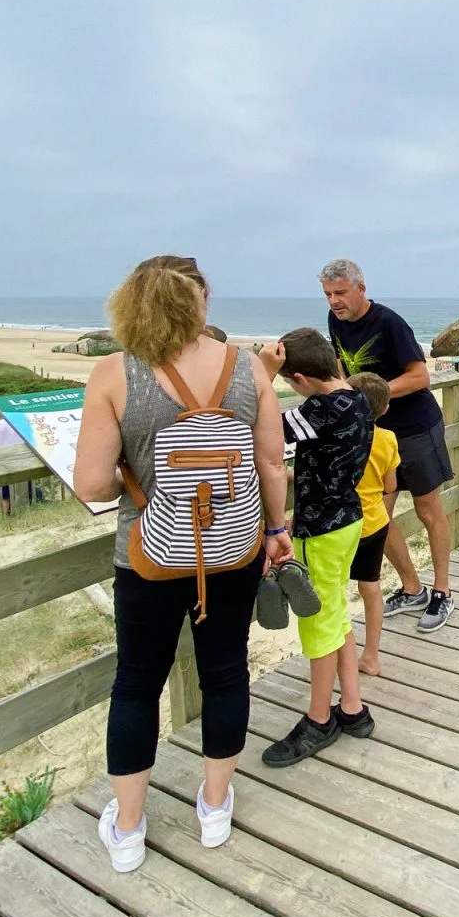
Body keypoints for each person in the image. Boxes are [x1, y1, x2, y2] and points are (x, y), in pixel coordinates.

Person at [73, 255, 290, 873]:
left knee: (137, 683)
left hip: (150, 555)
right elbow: (272, 464)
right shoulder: (247, 367)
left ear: (131, 304)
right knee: (226, 672)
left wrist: (136, 471)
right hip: (233, 548)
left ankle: (131, 827)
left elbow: (91, 484)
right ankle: (215, 807)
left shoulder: (114, 373)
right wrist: (277, 530)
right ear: (202, 302)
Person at [304, 260, 456, 632]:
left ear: (361, 288)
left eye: (340, 293)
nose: (334, 302)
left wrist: (370, 395)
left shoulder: (389, 323)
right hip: (372, 431)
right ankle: (412, 587)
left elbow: (420, 376)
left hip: (416, 428)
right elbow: (341, 367)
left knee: (427, 508)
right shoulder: (335, 321)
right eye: (327, 295)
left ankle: (442, 591)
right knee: (376, 516)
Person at [260, 329, 377, 765]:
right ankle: (352, 707)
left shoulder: (319, 410)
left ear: (302, 379)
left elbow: (268, 432)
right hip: (348, 519)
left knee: (318, 623)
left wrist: (265, 375)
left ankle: (318, 719)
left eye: (292, 380)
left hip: (321, 531)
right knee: (335, 613)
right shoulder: (358, 398)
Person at [348, 372, 401, 677]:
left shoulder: (338, 439)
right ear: (385, 409)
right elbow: (390, 485)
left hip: (342, 525)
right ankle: (371, 656)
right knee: (371, 589)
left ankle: (338, 651)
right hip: (374, 523)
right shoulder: (388, 439)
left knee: (332, 590)